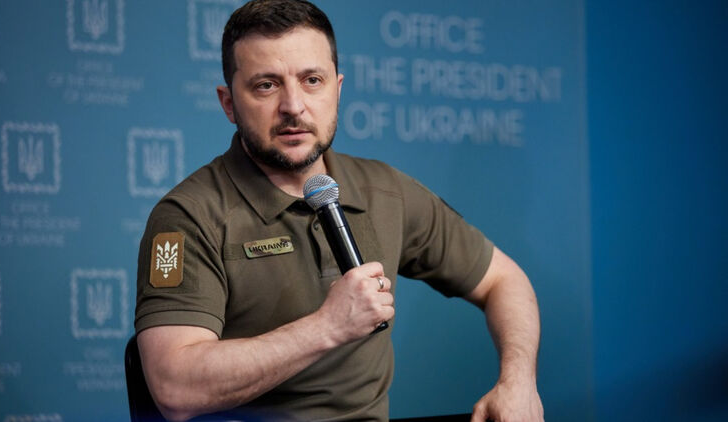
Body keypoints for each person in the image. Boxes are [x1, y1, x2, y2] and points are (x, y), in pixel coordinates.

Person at [134, 0, 543, 421]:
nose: (294, 106)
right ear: (228, 103)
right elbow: (175, 387)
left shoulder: (385, 191)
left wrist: (518, 383)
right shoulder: (189, 216)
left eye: (312, 80)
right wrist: (327, 327)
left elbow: (504, 279)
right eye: (266, 85)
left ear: (337, 89)